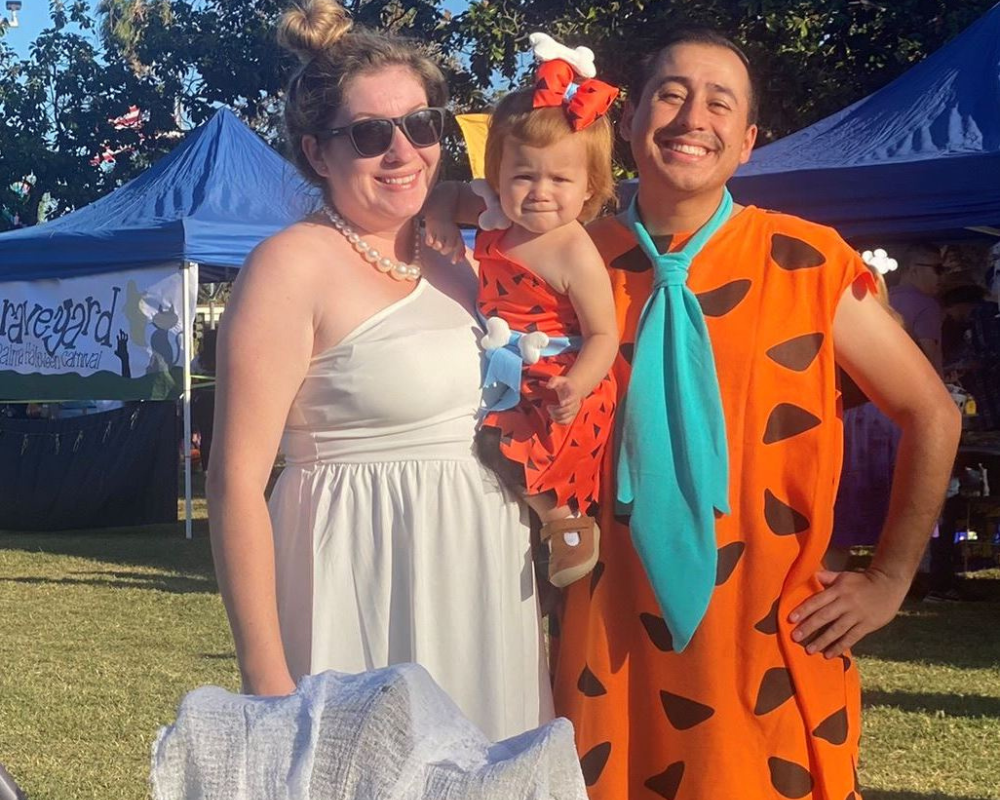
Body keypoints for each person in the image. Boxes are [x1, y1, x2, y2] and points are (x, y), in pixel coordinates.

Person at [551, 28, 961, 799]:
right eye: (671, 94)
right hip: (609, 641)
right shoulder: (566, 262)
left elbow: (931, 413)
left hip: (769, 642)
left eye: (719, 103)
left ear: (746, 141)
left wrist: (891, 577)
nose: (691, 118)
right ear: (630, 118)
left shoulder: (808, 262)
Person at [207, 0, 553, 741]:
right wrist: (266, 679)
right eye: (370, 134)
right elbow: (234, 483)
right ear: (317, 152)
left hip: (482, 579)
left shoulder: (458, 256)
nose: (403, 152)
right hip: (356, 578)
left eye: (421, 125)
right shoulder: (289, 266)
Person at [425, 41, 619, 588]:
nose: (539, 193)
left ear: (589, 186)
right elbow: (448, 190)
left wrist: (577, 385)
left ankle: (566, 522)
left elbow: (604, 333)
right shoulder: (494, 214)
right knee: (483, 445)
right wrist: (440, 216)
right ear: (498, 174)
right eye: (523, 176)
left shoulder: (574, 250)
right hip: (509, 365)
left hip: (558, 379)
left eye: (560, 179)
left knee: (504, 448)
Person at [888, 243, 946, 374]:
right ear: (914, 269)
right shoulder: (927, 305)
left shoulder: (882, 298)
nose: (942, 276)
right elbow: (929, 359)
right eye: (938, 269)